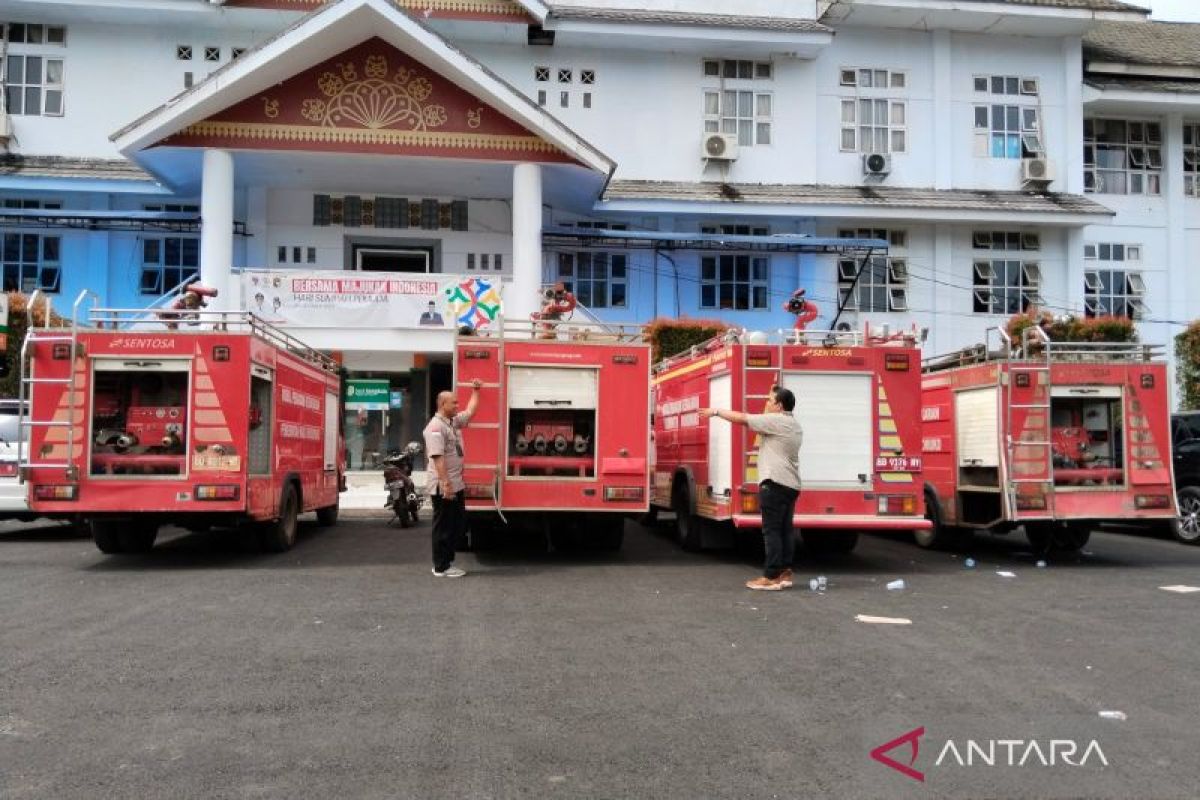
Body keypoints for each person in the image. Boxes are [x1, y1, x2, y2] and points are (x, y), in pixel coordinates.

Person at [700, 385, 803, 591]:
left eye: (769, 400)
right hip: (791, 484)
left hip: (774, 483)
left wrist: (716, 411)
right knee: (785, 530)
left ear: (779, 406)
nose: (766, 404)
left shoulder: (776, 420)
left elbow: (742, 418)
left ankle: (771, 575)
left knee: (771, 531)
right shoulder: (794, 424)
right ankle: (785, 571)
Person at [423, 379, 482, 578]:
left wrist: (476, 390)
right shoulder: (435, 428)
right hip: (444, 486)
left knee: (457, 524)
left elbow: (470, 411)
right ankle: (441, 566)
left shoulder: (452, 422)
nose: (458, 406)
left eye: (457, 403)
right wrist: (445, 484)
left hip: (455, 484)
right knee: (443, 527)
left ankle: (446, 562)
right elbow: (437, 458)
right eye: (454, 403)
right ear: (442, 405)